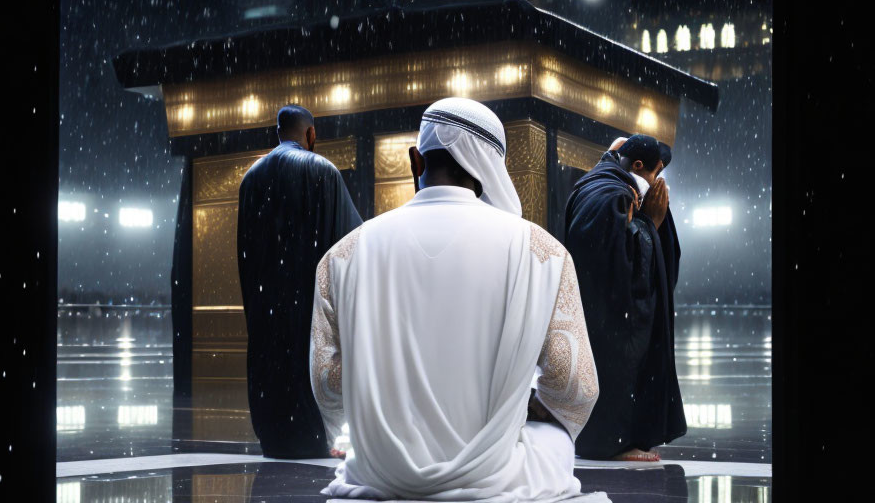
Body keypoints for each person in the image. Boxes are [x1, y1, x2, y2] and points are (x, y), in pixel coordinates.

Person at [309, 98, 608, 501]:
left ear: (416, 160)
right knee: (551, 440)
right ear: (492, 168)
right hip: (497, 474)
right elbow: (576, 385)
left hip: (380, 474)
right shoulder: (542, 253)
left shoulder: (343, 255)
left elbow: (326, 382)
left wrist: (380, 404)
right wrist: (524, 410)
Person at [237, 104, 362, 459]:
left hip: (265, 304)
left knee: (270, 361)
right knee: (305, 361)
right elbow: (351, 243)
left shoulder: (251, 178)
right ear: (311, 134)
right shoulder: (320, 170)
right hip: (306, 303)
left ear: (278, 132)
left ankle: (275, 436)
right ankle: (313, 439)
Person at [563, 133, 684, 462]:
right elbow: (620, 267)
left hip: (596, 313)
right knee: (615, 369)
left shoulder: (598, 186)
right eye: (656, 172)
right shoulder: (614, 195)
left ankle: (612, 438)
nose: (657, 182)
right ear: (639, 165)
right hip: (612, 318)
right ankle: (611, 443)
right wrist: (650, 222)